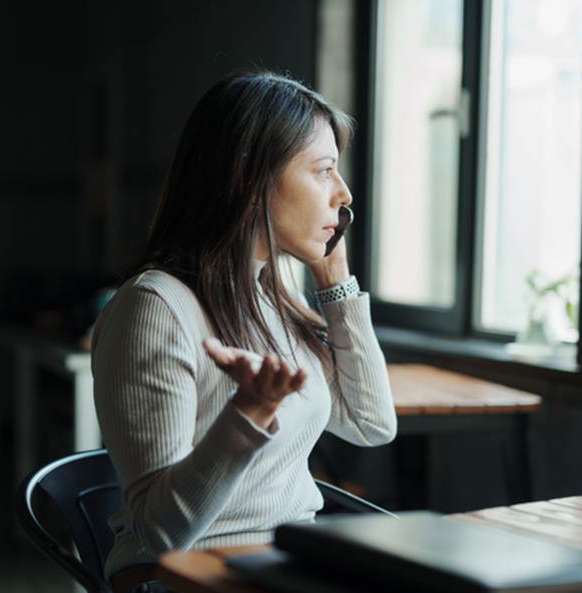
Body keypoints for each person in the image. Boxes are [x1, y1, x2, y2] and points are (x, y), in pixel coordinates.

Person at [91, 70, 397, 593]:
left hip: (285, 564)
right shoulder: (155, 307)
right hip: (186, 575)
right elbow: (160, 533)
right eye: (323, 171)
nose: (344, 195)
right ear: (247, 177)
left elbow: (371, 425)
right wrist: (247, 415)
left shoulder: (273, 297)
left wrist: (336, 281)